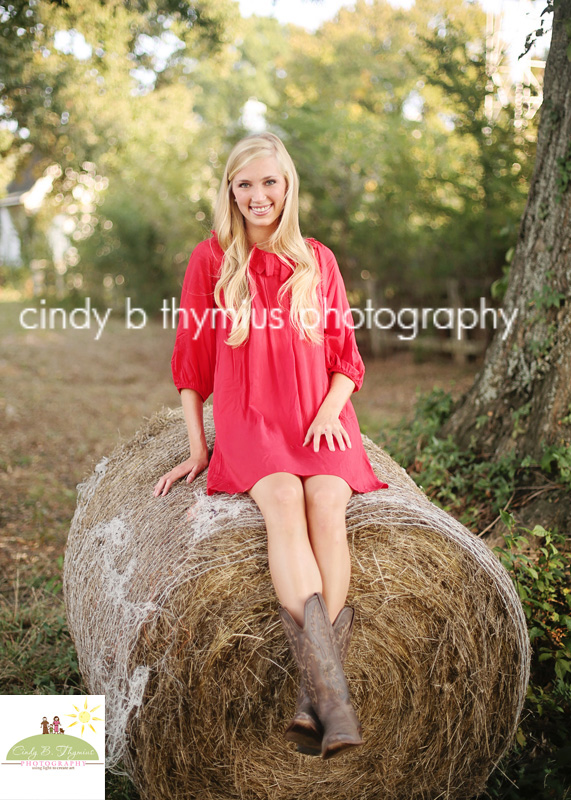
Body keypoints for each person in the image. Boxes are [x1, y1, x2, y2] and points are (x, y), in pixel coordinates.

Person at [154, 132, 388, 759]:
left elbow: (345, 357)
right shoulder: (212, 260)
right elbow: (192, 364)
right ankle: (333, 697)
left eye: (269, 183)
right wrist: (198, 449)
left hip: (320, 416)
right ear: (230, 192)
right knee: (283, 499)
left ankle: (315, 696)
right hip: (251, 417)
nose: (258, 196)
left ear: (288, 188)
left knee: (328, 507)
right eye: (245, 185)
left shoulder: (318, 260)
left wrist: (331, 411)